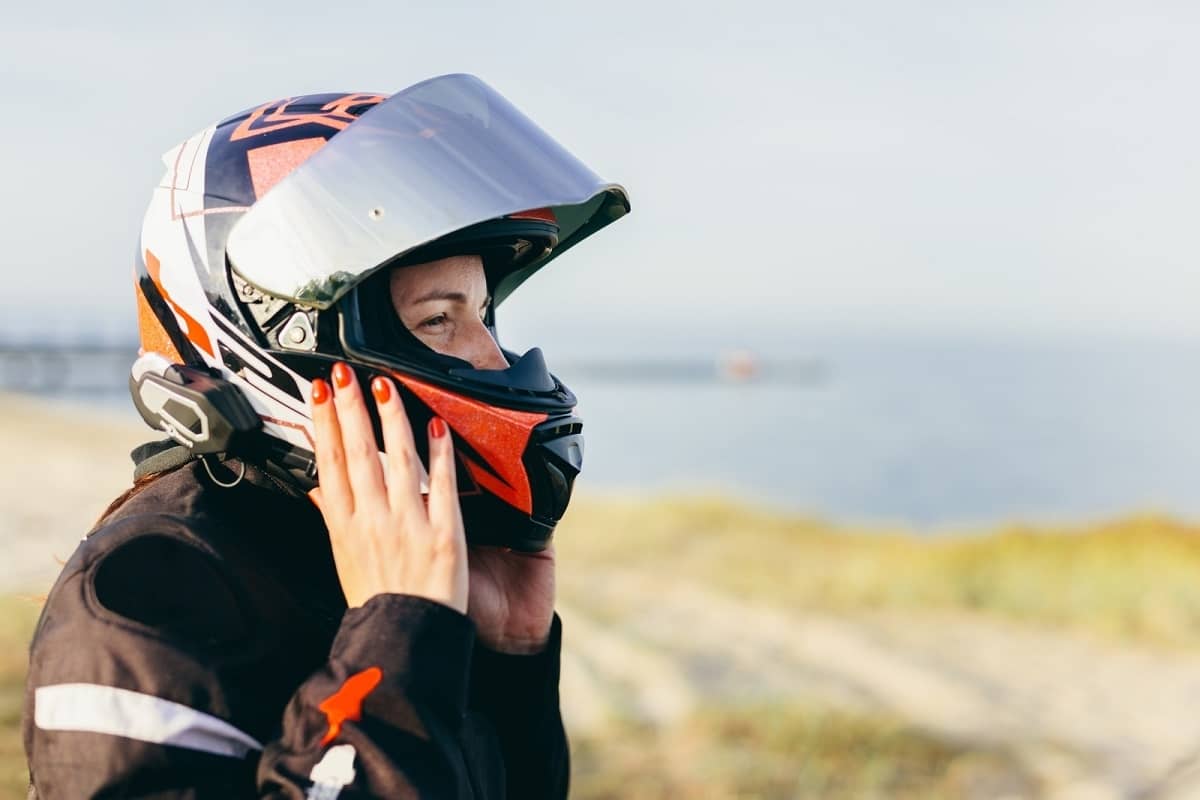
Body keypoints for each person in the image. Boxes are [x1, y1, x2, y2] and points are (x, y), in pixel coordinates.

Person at [21, 74, 629, 798]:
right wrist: (395, 637)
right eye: (439, 319)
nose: (494, 359)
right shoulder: (147, 596)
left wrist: (510, 662)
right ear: (292, 341)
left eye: (483, 314)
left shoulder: (370, 553)